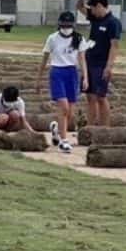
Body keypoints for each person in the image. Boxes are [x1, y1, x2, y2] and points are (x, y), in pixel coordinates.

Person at [36, 11, 90, 153]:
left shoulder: (79, 38)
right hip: (57, 72)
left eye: (69, 25)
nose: (66, 27)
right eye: (63, 25)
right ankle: (64, 141)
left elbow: (82, 59)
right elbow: (44, 59)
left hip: (72, 73)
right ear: (59, 24)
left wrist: (85, 77)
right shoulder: (52, 38)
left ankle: (56, 130)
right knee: (64, 107)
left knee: (70, 113)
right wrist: (39, 79)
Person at [83, 0, 121, 128]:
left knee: (101, 96)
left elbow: (114, 45)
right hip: (89, 62)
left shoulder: (113, 22)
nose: (91, 12)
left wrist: (109, 66)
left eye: (93, 8)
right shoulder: (95, 18)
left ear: (99, 6)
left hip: (101, 64)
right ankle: (90, 127)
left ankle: (105, 129)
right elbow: (80, 7)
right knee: (90, 96)